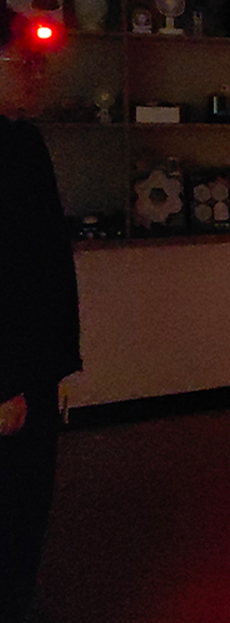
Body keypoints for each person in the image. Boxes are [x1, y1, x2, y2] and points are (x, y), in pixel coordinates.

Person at [0, 113, 82, 622]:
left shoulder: (18, 140)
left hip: (29, 365)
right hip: (20, 371)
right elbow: (24, 263)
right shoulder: (14, 145)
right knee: (18, 506)